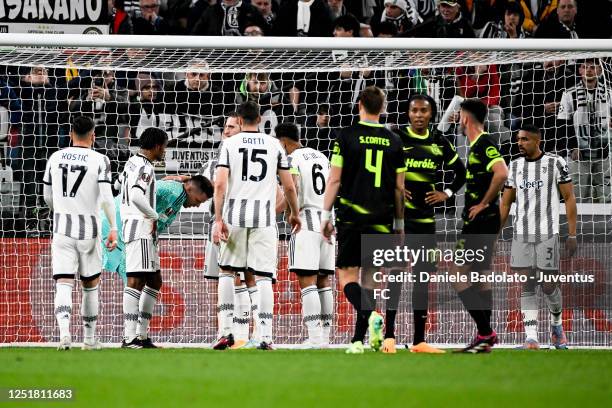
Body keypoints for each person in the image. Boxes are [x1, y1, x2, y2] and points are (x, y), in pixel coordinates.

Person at [320, 86, 406, 354]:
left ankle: (370, 318)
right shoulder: (395, 141)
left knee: (346, 277)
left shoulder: (345, 136)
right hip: (381, 219)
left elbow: (334, 179)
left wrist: (325, 214)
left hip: (351, 216)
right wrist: (400, 225)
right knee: (369, 278)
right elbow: (399, 189)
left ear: (359, 105)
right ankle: (359, 341)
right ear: (383, 108)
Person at [212, 101, 301, 350]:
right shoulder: (274, 144)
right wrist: (294, 213)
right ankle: (265, 336)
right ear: (260, 119)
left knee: (227, 272)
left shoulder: (229, 144)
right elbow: (289, 186)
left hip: (235, 217)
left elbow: (219, 185)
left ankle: (225, 332)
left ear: (239, 120)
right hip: (264, 218)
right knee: (263, 277)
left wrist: (219, 219)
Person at [394, 94, 466, 354]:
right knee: (394, 276)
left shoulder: (439, 141)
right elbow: (381, 169)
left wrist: (446, 193)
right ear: (408, 113)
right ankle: (389, 339)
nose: (419, 115)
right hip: (400, 222)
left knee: (422, 280)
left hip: (426, 224)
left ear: (432, 114)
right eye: (414, 110)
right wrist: (397, 187)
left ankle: (419, 341)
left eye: (424, 111)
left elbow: (461, 172)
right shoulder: (397, 138)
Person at [42, 116, 118, 350]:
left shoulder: (55, 157)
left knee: (63, 283)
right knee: (90, 285)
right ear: (93, 135)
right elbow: (106, 197)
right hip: (90, 230)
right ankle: (89, 339)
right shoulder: (100, 159)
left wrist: (62, 210)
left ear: (70, 133)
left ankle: (64, 335)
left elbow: (47, 197)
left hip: (62, 229)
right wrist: (113, 227)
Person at [499, 124, 577, 350]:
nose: (519, 143)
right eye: (518, 140)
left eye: (524, 140)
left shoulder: (556, 163)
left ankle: (557, 327)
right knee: (527, 284)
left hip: (547, 233)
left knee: (549, 285)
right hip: (521, 234)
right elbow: (505, 202)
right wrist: (495, 235)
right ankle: (531, 338)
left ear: (537, 141)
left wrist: (572, 234)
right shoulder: (513, 167)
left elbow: (569, 198)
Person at [451, 98, 508, 353]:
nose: (456, 117)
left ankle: (485, 332)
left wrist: (484, 203)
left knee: (456, 273)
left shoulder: (484, 143)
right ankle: (484, 339)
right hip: (483, 221)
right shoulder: (476, 145)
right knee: (480, 276)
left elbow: (502, 172)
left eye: (459, 113)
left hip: (479, 220)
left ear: (465, 117)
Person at [276, 122, 335, 348]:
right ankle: (326, 337)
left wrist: (291, 212)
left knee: (307, 281)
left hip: (306, 221)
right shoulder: (322, 156)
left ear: (283, 142)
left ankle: (314, 337)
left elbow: (294, 187)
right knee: (324, 281)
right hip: (328, 221)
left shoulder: (291, 160)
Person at [101, 175, 213, 282]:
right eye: (198, 200)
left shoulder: (177, 192)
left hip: (121, 227)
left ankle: (137, 301)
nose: (197, 205)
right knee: (135, 279)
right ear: (189, 189)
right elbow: (140, 200)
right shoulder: (173, 193)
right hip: (118, 227)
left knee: (152, 280)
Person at [118, 127, 168, 349]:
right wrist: (154, 215)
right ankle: (130, 337)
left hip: (134, 226)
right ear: (157, 146)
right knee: (136, 280)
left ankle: (142, 334)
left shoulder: (131, 162)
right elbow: (137, 195)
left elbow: (117, 186)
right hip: (140, 227)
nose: (164, 151)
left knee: (154, 280)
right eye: (164, 147)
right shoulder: (146, 167)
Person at [558, 59, 612, 203]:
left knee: (606, 194)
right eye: (585, 67)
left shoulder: (609, 93)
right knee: (580, 195)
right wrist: (573, 146)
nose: (589, 70)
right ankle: (579, 226)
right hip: (579, 154)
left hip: (604, 153)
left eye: (593, 67)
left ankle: (608, 226)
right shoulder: (569, 94)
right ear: (579, 71)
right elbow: (563, 122)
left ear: (600, 71)